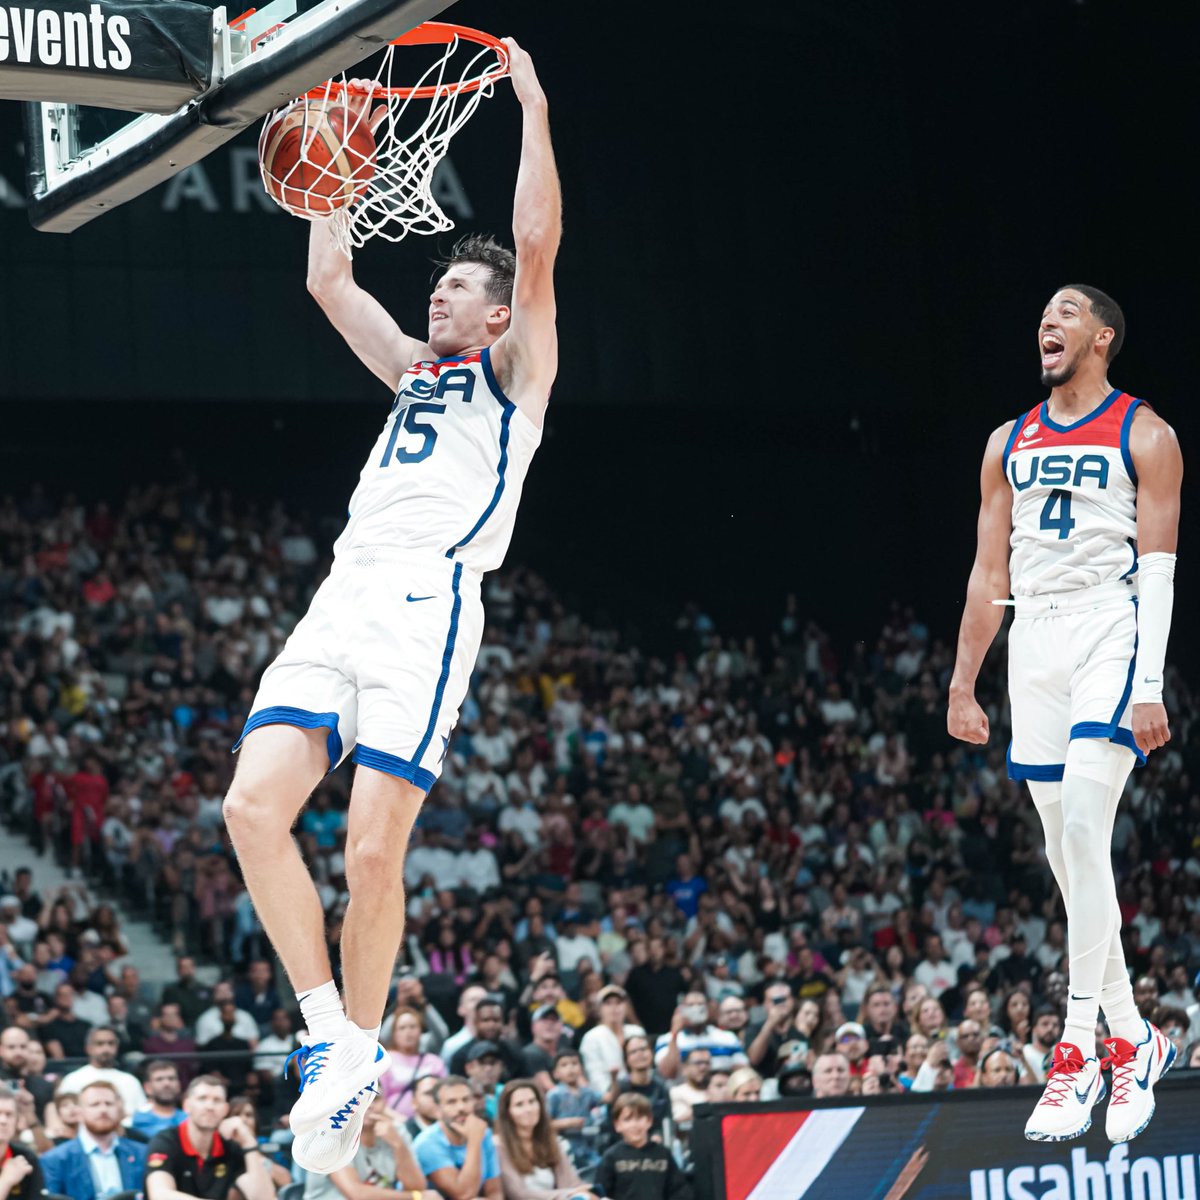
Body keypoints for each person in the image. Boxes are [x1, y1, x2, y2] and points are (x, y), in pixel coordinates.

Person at [221, 36, 560, 1177]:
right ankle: (332, 1039)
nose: (443, 291)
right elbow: (329, 280)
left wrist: (530, 103)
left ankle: (360, 1043)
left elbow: (534, 242)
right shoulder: (416, 368)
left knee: (372, 855)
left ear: (500, 316)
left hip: (429, 604)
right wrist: (333, 169)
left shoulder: (517, 381)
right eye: (441, 283)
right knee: (250, 812)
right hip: (343, 594)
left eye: (462, 287)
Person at [948, 284, 1182, 1144]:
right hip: (1033, 643)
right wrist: (961, 682)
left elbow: (1156, 567)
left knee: (1085, 829)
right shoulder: (1005, 441)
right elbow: (986, 575)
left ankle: (1079, 1048)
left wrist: (1150, 681)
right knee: (1065, 854)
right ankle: (1138, 1037)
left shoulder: (1145, 433)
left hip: (1108, 630)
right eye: (1044, 313)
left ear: (1104, 338)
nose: (1048, 322)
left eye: (1068, 312)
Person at [143, 1075, 274, 1200]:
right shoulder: (165, 1141)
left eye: (217, 1100)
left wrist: (249, 1144)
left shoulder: (230, 1146)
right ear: (186, 1105)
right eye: (202, 1098)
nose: (210, 1106)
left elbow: (264, 1198)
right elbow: (159, 1195)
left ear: (225, 1109)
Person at [302, 1091, 428, 1200]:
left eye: (375, 1099)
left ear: (385, 1103)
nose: (368, 1105)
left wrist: (398, 1145)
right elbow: (357, 1194)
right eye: (359, 1099)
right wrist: (416, 1197)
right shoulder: (331, 1136)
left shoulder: (396, 1131)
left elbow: (417, 1187)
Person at [39, 1081, 147, 1200]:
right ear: (80, 1111)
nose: (103, 1109)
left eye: (109, 1104)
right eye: (95, 1104)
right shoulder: (55, 1159)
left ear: (119, 1108)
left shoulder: (142, 1153)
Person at [494, 1080, 591, 1200]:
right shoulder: (498, 1146)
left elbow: (571, 1183)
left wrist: (588, 1193)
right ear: (507, 1113)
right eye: (519, 1105)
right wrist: (567, 1194)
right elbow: (519, 1194)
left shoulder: (552, 1141)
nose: (528, 1109)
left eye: (532, 1101)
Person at [413, 1076, 502, 1200]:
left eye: (466, 1100)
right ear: (438, 1109)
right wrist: (474, 1140)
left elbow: (494, 1191)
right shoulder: (427, 1143)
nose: (461, 1107)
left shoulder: (484, 1133)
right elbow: (463, 1194)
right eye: (451, 1102)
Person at [595, 1094, 690, 1200]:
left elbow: (679, 1191)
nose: (634, 1125)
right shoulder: (611, 1157)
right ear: (617, 1125)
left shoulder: (663, 1154)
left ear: (649, 1121)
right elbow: (601, 1195)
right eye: (627, 1119)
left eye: (639, 1118)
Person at [55, 1027, 145, 1124]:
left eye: (111, 1043)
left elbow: (142, 1114)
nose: (106, 1048)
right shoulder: (73, 1079)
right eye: (100, 1043)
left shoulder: (130, 1081)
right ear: (88, 1048)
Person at [380, 1008, 446, 1117]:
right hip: (394, 1123)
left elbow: (445, 1094)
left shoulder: (434, 1062)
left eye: (413, 1027)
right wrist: (400, 1121)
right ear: (394, 1033)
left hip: (431, 1122)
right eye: (402, 1028)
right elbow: (378, 1100)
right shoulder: (385, 1060)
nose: (408, 1032)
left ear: (421, 1031)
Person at [578, 987, 643, 1096]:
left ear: (626, 1007)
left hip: (641, 1091)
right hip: (608, 1096)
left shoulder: (636, 1032)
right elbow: (596, 1078)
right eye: (608, 1003)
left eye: (619, 1002)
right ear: (599, 1009)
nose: (614, 1008)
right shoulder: (591, 1037)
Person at [544, 1053, 600, 1172]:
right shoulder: (554, 1094)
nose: (570, 1068)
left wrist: (614, 1076)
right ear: (555, 1073)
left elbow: (608, 1098)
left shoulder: (587, 1092)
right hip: (564, 1147)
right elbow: (544, 1125)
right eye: (564, 1065)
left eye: (574, 1063)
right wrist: (567, 1123)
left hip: (587, 1146)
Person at [0, 1085, 43, 1200]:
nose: (3, 1120)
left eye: (9, 1115)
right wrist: (5, 1181)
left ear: (16, 1120)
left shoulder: (26, 1158)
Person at [128, 1061, 186, 1140]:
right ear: (147, 1088)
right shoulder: (134, 1121)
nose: (166, 1083)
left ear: (179, 1085)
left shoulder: (189, 1120)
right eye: (159, 1079)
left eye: (171, 1078)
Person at [668, 1049, 711, 1125]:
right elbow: (679, 1121)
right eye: (698, 1063)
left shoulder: (716, 1090)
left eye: (707, 1063)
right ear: (685, 1068)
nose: (703, 1067)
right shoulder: (676, 1092)